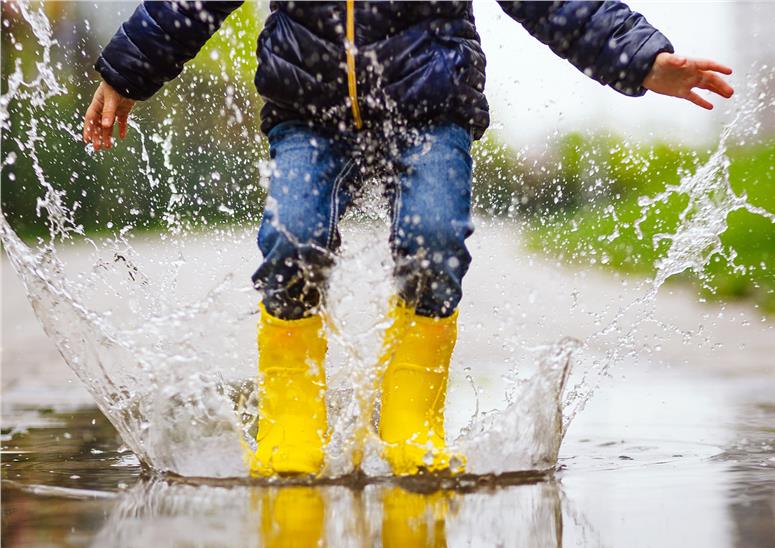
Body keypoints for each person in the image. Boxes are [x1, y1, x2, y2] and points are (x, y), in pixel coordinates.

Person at [83, 1, 733, 478]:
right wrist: (126, 71)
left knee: (434, 242)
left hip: (429, 109)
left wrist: (640, 56)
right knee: (293, 243)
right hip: (309, 110)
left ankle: (412, 418)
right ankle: (290, 417)